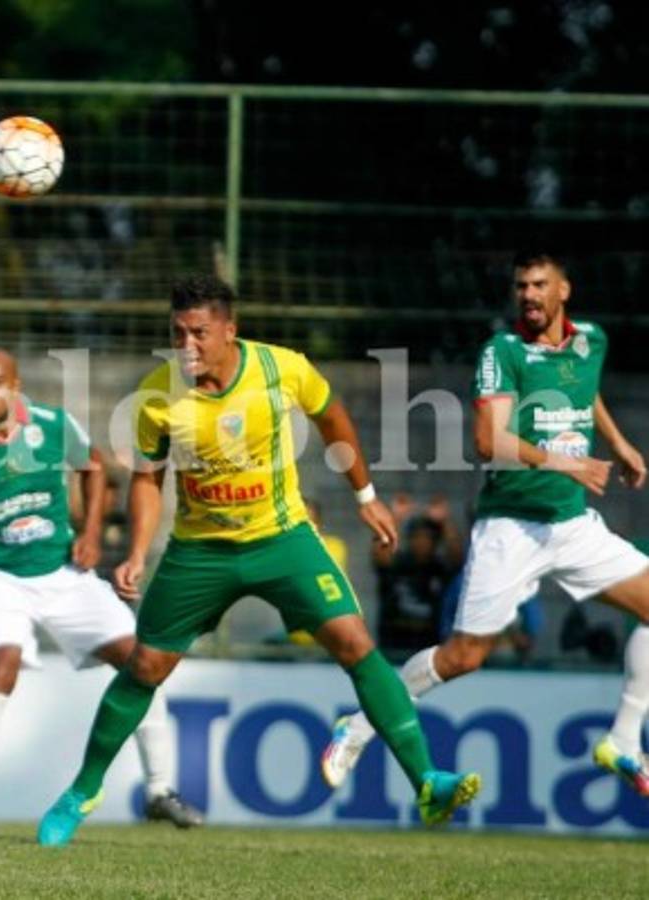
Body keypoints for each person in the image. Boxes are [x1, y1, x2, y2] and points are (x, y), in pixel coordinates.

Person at [37, 275, 480, 846]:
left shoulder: (281, 369)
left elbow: (333, 418)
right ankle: (82, 792)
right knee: (145, 667)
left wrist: (365, 497)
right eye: (177, 333)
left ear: (229, 329)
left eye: (198, 333)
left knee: (356, 645)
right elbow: (148, 479)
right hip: (200, 551)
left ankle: (427, 780)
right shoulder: (157, 395)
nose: (186, 346)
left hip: (282, 538)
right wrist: (138, 551)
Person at [322, 249, 649, 797]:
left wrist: (618, 444)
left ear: (563, 291)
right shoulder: (502, 350)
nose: (529, 295)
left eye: (540, 285)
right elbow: (487, 440)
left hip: (570, 526)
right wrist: (569, 461)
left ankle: (621, 739)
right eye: (522, 286)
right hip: (511, 530)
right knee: (462, 657)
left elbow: (583, 386)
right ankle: (355, 727)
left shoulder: (591, 339)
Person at [0, 347, 202, 835]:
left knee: (142, 662)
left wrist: (89, 533)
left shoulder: (53, 425)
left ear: (17, 385)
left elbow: (96, 471)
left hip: (62, 571)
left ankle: (158, 790)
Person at [373, 499, 463, 655]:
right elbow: (380, 555)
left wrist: (445, 523)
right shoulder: (398, 564)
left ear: (435, 542)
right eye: (417, 537)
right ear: (409, 540)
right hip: (392, 648)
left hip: (429, 652)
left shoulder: (439, 568)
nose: (422, 542)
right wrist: (395, 518)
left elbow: (457, 557)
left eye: (427, 538)